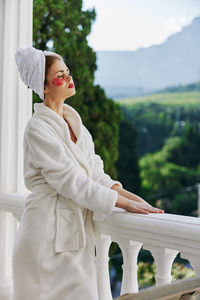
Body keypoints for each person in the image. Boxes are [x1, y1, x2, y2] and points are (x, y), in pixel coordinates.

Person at [12, 47, 164, 300]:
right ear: (44, 87)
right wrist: (122, 203)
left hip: (74, 238)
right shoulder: (37, 128)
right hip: (44, 236)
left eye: (68, 72)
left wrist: (136, 200)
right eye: (60, 75)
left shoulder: (76, 124)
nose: (70, 78)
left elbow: (95, 174)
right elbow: (70, 181)